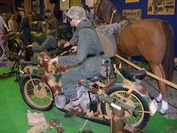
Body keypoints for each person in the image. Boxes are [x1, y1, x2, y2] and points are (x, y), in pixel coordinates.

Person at [49, 6, 110, 118]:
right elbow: (95, 46)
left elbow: (79, 59)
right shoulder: (89, 28)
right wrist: (79, 47)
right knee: (76, 73)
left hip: (94, 64)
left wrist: (59, 59)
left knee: (67, 77)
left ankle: (77, 108)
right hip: (103, 61)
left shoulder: (83, 32)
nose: (69, 21)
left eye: (70, 18)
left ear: (75, 18)